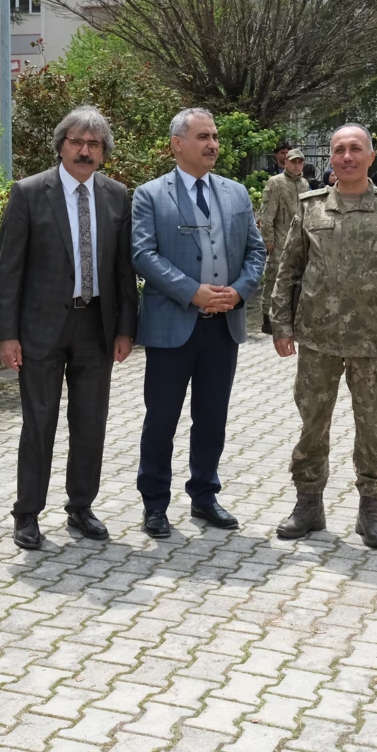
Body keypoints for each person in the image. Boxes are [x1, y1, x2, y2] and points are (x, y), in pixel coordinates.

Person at [0, 107, 139, 550]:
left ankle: (81, 506)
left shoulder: (117, 196)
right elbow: (8, 270)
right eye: (77, 141)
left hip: (96, 325)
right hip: (41, 328)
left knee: (90, 422)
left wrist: (126, 328)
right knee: (39, 422)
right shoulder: (29, 192)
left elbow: (124, 270)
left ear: (104, 152)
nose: (84, 150)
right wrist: (7, 334)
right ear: (61, 146)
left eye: (94, 144)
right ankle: (27, 513)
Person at [271, 125, 377, 548]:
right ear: (331, 158)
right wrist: (281, 325)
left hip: (373, 342)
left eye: (356, 149)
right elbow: (288, 270)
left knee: (373, 425)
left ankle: (371, 510)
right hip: (316, 339)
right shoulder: (310, 206)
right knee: (312, 424)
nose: (347, 156)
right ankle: (308, 504)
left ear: (371, 157)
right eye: (339, 149)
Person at [131, 108, 267, 538]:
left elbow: (256, 251)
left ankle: (205, 496)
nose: (212, 144)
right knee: (162, 420)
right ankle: (155, 504)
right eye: (203, 136)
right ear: (177, 144)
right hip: (172, 326)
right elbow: (143, 254)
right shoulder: (151, 195)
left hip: (222, 326)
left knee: (212, 418)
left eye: (215, 137)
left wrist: (239, 291)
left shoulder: (236, 193)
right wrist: (191, 291)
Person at [256, 147, 309, 334]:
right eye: (293, 162)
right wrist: (268, 241)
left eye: (300, 162)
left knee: (296, 280)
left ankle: (290, 316)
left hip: (298, 241)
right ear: (286, 162)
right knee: (273, 279)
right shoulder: (276, 183)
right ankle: (267, 318)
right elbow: (266, 216)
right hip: (279, 240)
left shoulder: (304, 184)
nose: (296, 165)